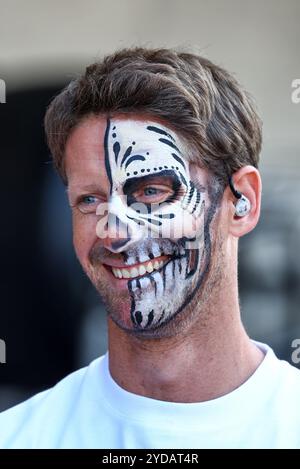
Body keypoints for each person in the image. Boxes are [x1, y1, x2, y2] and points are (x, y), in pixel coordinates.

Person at [1, 48, 299, 449]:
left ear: (242, 202)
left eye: (151, 192)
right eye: (89, 200)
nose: (115, 233)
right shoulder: (19, 438)